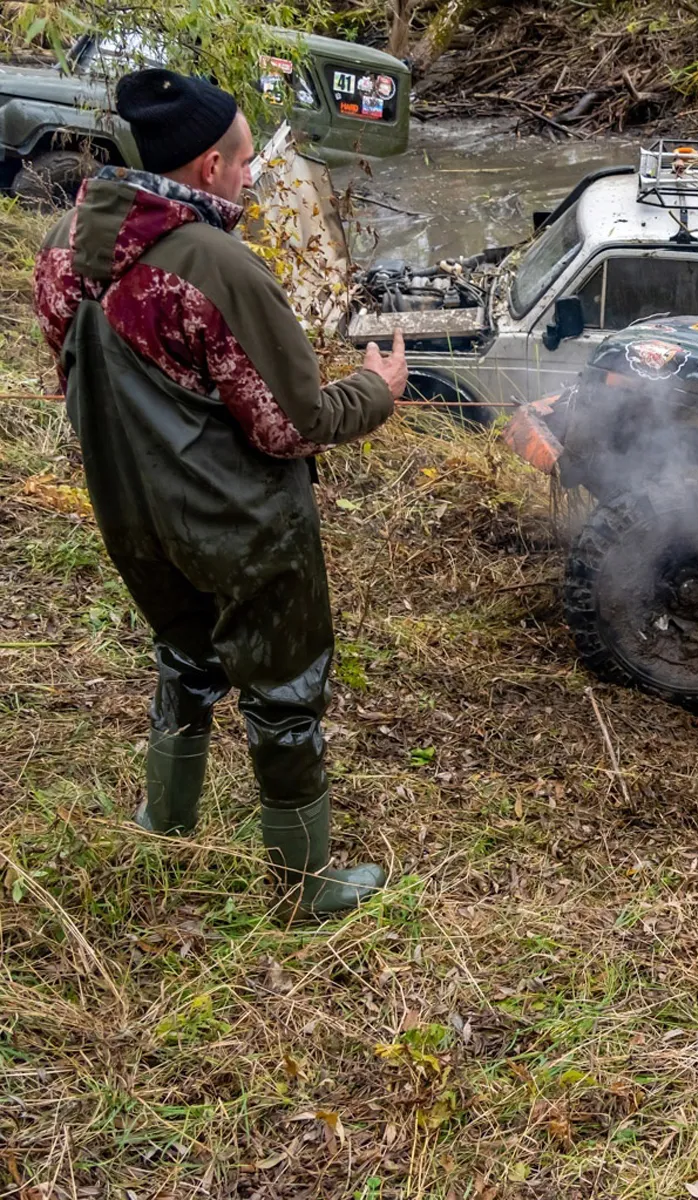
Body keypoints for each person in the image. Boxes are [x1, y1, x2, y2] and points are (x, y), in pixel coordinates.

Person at [32, 69, 408, 917]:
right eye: (243, 162)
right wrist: (380, 387)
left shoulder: (61, 242)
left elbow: (67, 374)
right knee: (281, 686)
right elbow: (292, 424)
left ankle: (166, 818)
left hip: (129, 511)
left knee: (185, 652)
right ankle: (306, 889)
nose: (250, 176)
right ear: (207, 168)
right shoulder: (218, 263)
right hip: (240, 522)